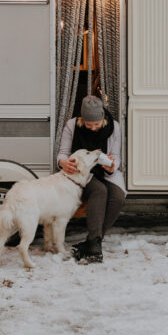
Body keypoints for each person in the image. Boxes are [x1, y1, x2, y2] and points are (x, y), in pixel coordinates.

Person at [57, 95, 125, 263]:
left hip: (104, 172)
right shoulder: (72, 126)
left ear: (103, 118)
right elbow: (63, 153)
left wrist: (112, 166)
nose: (94, 128)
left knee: (117, 197)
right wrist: (62, 162)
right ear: (82, 120)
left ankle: (92, 241)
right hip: (82, 174)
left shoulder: (114, 127)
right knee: (99, 191)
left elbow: (116, 156)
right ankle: (95, 247)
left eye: (97, 124)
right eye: (89, 124)